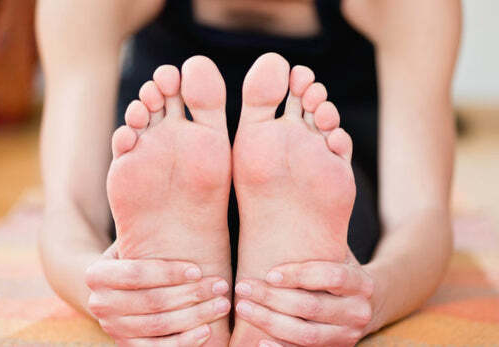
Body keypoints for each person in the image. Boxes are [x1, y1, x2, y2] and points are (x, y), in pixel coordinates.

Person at [37, 1, 460, 346]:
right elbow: (68, 205)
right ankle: (206, 280)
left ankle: (272, 282)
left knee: (340, 202)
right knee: (145, 193)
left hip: (327, 156)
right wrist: (106, 286)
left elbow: (421, 215)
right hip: (168, 151)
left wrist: (372, 293)